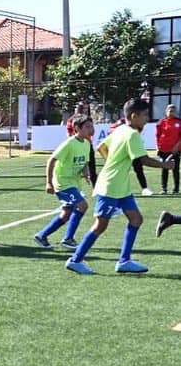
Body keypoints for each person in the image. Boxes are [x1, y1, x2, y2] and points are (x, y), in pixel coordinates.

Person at [65, 98, 173, 275]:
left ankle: (124, 261)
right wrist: (165, 166)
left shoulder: (121, 129)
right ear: (134, 115)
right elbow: (143, 160)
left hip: (120, 186)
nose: (147, 119)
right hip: (111, 186)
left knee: (136, 219)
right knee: (100, 225)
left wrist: (112, 163)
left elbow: (101, 147)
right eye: (145, 115)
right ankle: (75, 260)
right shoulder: (132, 134)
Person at [33, 114, 93, 251]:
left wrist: (86, 173)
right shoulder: (69, 144)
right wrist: (49, 183)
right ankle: (68, 239)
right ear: (77, 128)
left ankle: (42, 235)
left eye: (91, 126)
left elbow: (85, 162)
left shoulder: (87, 144)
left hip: (74, 183)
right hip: (63, 183)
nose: (91, 129)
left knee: (66, 214)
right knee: (83, 205)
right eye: (87, 127)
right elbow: (51, 160)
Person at [66, 103, 98, 186]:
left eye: (84, 108)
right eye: (80, 108)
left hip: (87, 145)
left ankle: (96, 188)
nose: (82, 110)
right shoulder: (71, 120)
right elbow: (69, 133)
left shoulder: (87, 119)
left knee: (92, 169)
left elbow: (92, 132)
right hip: (76, 145)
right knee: (75, 167)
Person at [155, 104, 181, 194]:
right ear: (166, 112)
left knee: (175, 169)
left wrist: (177, 147)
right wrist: (157, 147)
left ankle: (176, 189)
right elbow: (157, 136)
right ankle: (164, 189)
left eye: (173, 111)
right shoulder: (161, 122)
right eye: (170, 111)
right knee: (164, 168)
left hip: (175, 150)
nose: (172, 112)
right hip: (163, 149)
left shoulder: (179, 122)